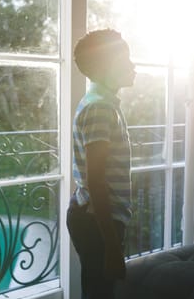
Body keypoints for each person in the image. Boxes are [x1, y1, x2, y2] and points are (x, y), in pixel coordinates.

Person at [66, 29, 136, 299]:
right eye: (125, 59)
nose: (132, 66)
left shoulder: (102, 104)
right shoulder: (100, 109)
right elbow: (95, 180)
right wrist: (111, 246)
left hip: (93, 216)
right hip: (97, 222)